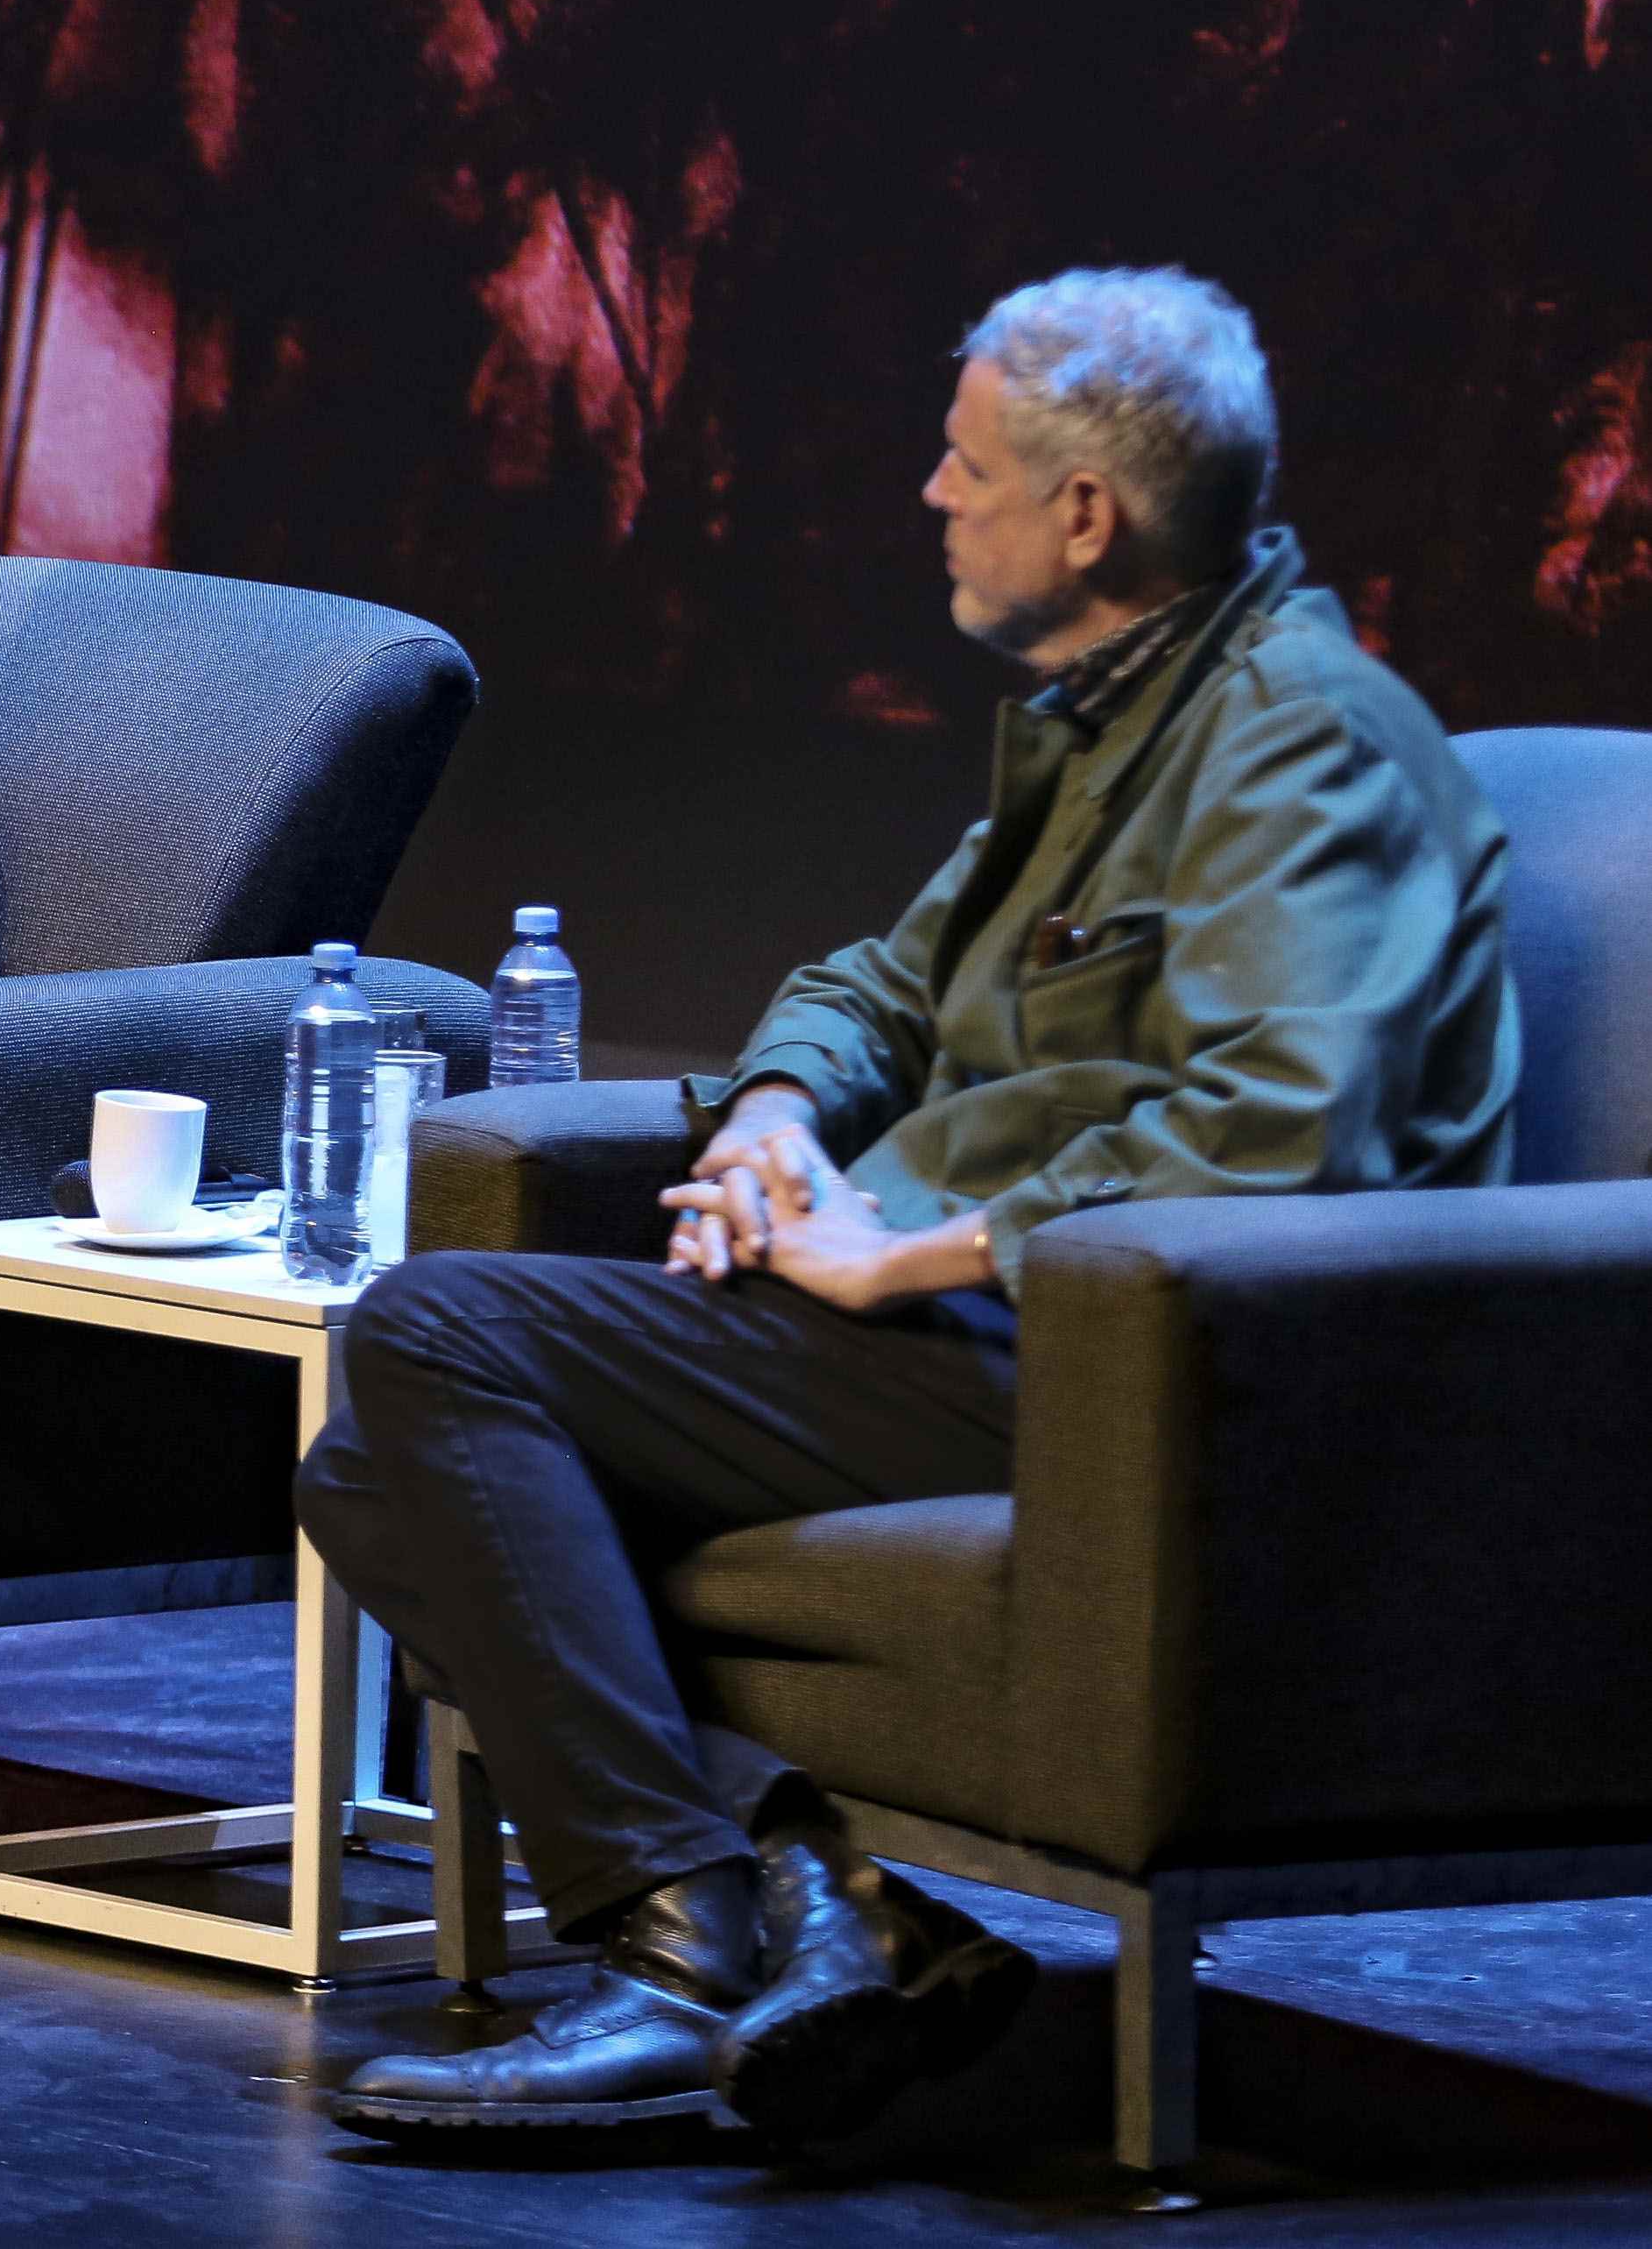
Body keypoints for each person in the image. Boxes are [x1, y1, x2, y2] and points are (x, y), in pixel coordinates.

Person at [304, 268, 1514, 2144]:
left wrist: (901, 1247)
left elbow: (1279, 1140)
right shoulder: (1111, 713)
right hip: (982, 1326)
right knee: (365, 1465)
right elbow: (883, 980)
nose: (928, 497)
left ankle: (671, 1954)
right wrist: (778, 1123)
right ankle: (822, 1896)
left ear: (1085, 512)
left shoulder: (1298, 741)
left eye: (961, 464)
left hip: (1161, 1370)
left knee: (434, 1332)